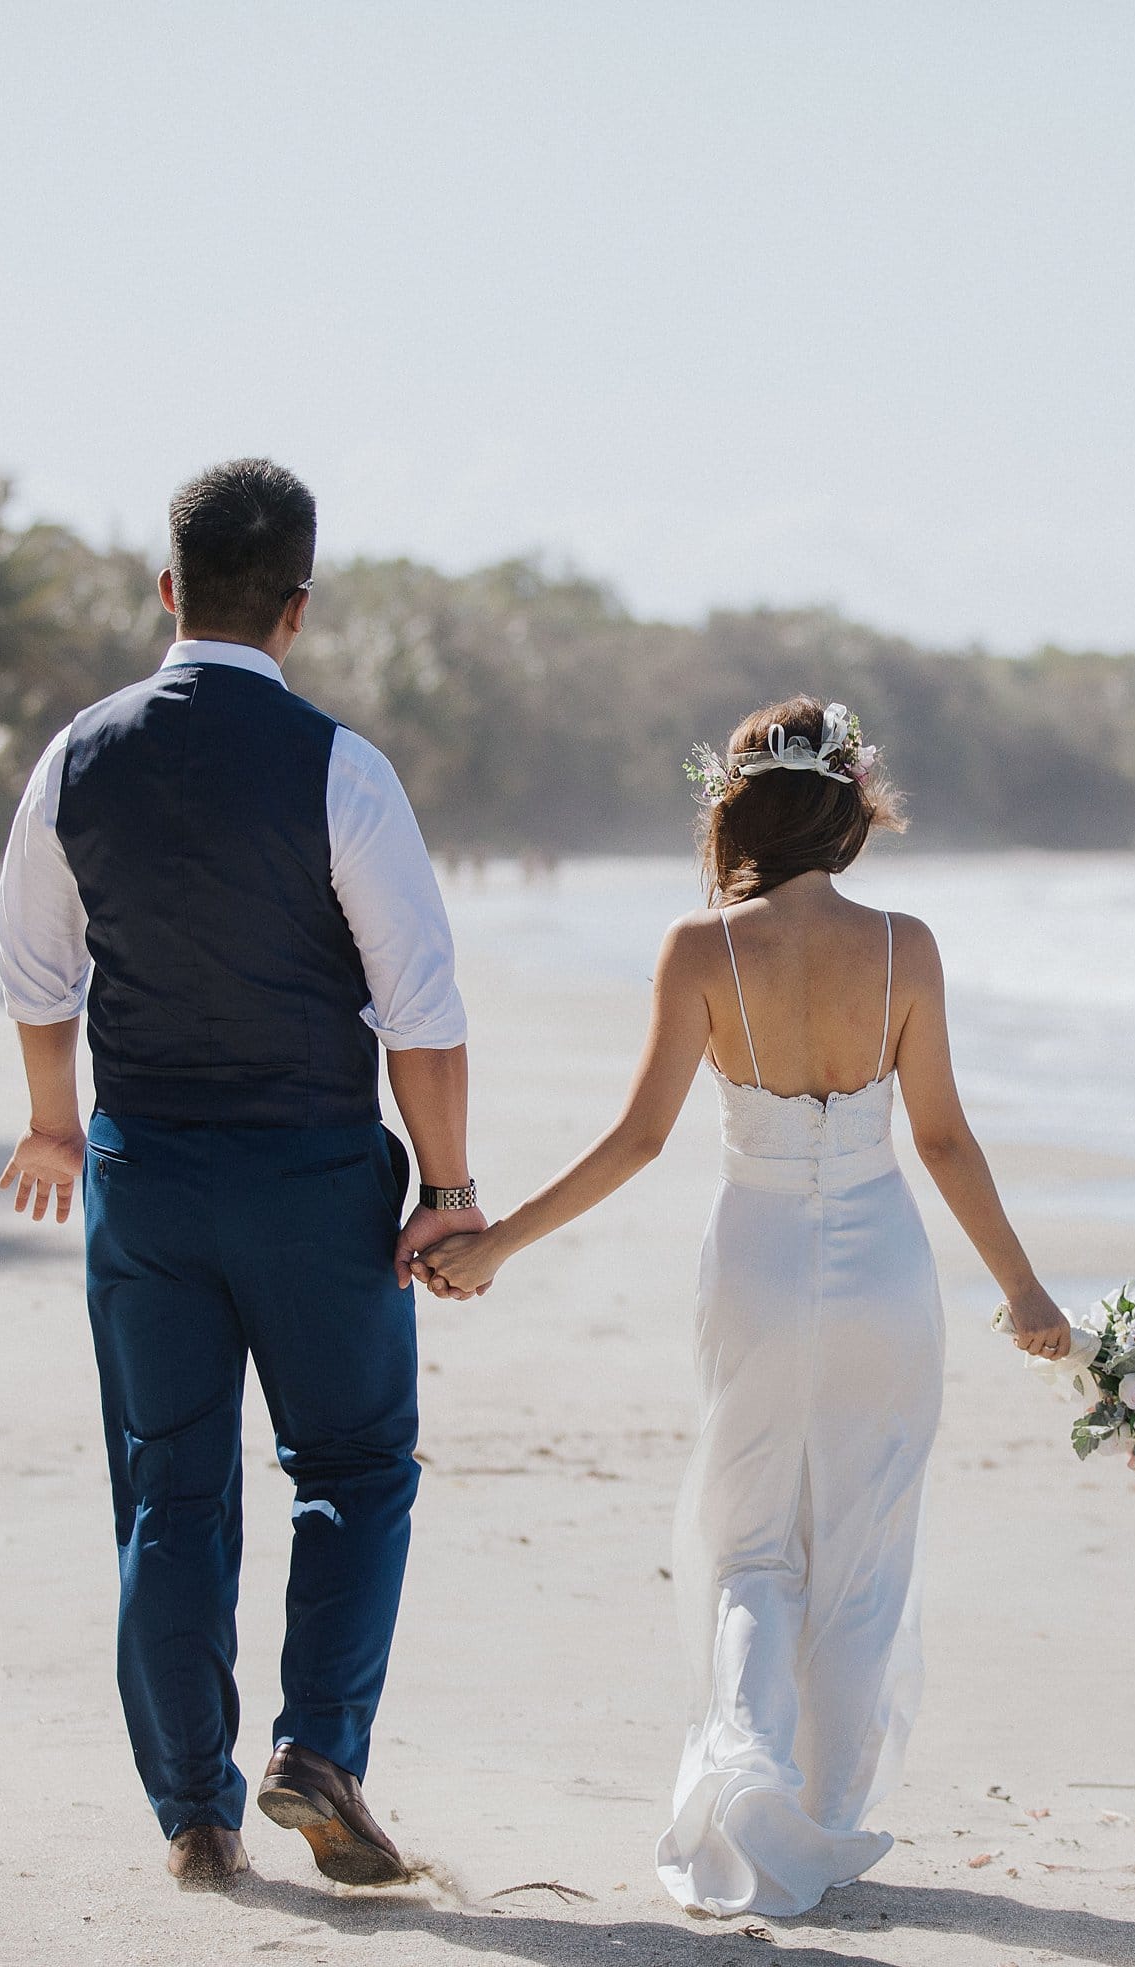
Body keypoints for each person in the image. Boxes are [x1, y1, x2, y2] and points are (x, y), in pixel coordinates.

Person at [421, 697, 1073, 1918]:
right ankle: (821, 1816)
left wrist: (497, 1243)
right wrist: (1022, 1287)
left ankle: (747, 1778)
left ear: (735, 811)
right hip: (883, 1259)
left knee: (751, 1542)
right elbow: (940, 1136)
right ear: (848, 808)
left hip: (759, 1257)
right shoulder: (906, 946)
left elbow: (636, 1140)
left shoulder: (699, 947)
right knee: (866, 1535)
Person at [0, 458, 485, 1889]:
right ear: (297, 608)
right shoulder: (341, 766)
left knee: (169, 1489)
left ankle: (195, 1814)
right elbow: (421, 1009)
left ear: (168, 591)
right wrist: (446, 1194)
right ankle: (317, 1747)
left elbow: (35, 965)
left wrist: (50, 1121)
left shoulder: (75, 754)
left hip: (145, 1167)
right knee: (352, 1463)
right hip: (312, 1174)